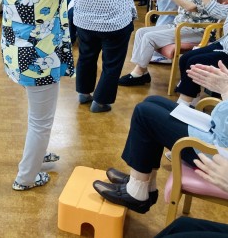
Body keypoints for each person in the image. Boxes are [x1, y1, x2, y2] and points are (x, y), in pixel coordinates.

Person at [0, 0, 156, 191]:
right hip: (38, 59)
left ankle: (37, 154)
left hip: (18, 54)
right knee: (41, 121)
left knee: (38, 115)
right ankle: (26, 177)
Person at [93, 61, 228, 214]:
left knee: (144, 113)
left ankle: (136, 193)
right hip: (218, 133)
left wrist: (225, 91)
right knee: (152, 101)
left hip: (219, 153)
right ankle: (146, 184)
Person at [73, 0, 169, 112]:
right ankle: (100, 102)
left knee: (86, 57)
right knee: (112, 63)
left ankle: (83, 93)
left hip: (84, 22)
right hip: (114, 24)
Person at [118, 0, 221, 86]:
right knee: (141, 32)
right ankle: (142, 72)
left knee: (149, 37)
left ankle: (138, 73)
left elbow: (190, 7)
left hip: (197, 30)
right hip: (179, 26)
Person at [173, 0, 228, 105]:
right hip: (224, 44)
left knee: (195, 62)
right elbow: (216, 11)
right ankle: (193, 100)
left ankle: (183, 105)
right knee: (185, 58)